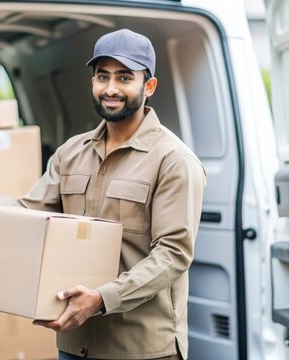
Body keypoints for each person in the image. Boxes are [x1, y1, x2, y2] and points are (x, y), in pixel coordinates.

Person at [16, 29, 207, 360]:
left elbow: (172, 255)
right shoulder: (70, 153)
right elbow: (26, 218)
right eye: (102, 77)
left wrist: (102, 298)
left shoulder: (174, 160)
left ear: (149, 86)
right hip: (76, 344)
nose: (111, 88)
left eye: (124, 77)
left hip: (140, 348)